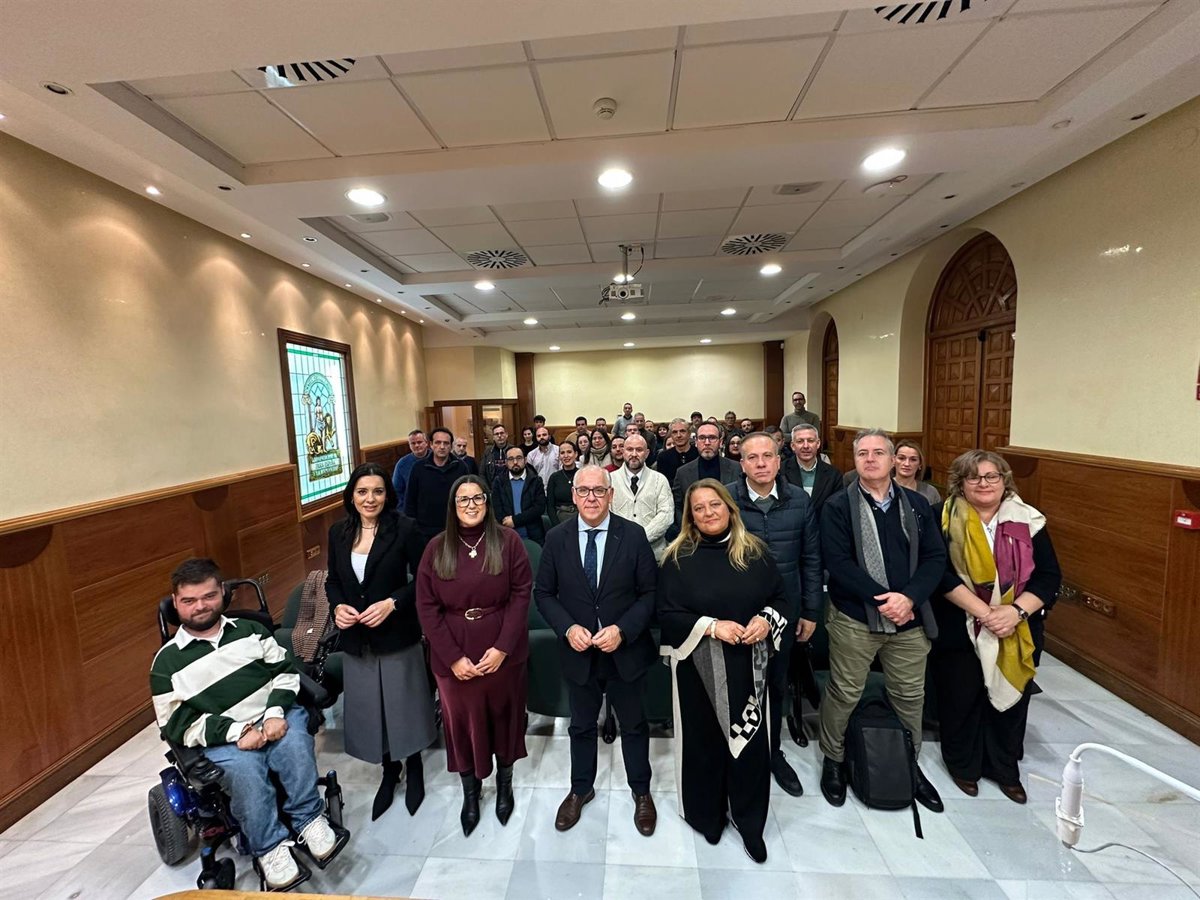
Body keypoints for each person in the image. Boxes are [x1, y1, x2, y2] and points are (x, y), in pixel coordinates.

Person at [151, 558, 346, 890]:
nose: (200, 606)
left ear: (223, 593)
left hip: (273, 716)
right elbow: (175, 722)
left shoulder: (251, 631)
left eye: (209, 596)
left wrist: (274, 714)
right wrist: (236, 732)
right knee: (246, 771)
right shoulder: (165, 663)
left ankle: (309, 819)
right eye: (189, 600)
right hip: (225, 738)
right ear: (176, 602)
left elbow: (284, 673)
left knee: (295, 744)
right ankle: (269, 847)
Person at [658, 480, 788, 864]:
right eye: (698, 508)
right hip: (697, 666)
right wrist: (712, 627)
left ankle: (750, 823)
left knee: (749, 746)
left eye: (714, 504)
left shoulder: (754, 552)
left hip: (748, 664)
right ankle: (707, 815)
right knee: (703, 744)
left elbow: (781, 597)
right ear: (690, 517)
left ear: (730, 508)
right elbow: (667, 614)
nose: (708, 513)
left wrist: (766, 619)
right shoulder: (676, 557)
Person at [817, 430, 946, 813]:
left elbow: (935, 558)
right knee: (845, 692)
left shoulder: (917, 504)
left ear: (893, 460)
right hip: (855, 617)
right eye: (862, 453)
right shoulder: (838, 506)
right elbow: (838, 563)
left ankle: (909, 763)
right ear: (854, 460)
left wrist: (909, 598)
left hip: (910, 619)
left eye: (878, 453)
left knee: (910, 695)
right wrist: (882, 599)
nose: (870, 459)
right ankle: (834, 760)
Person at [534, 465, 659, 837]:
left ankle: (641, 791)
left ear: (611, 495)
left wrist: (623, 630)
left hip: (625, 651)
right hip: (579, 652)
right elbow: (544, 594)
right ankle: (580, 788)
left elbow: (650, 594)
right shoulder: (556, 538)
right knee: (581, 726)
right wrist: (568, 627)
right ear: (573, 496)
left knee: (634, 725)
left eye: (599, 491)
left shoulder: (633, 535)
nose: (591, 498)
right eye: (584, 491)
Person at [931, 450, 1061, 804]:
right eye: (973, 477)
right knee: (961, 697)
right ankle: (963, 764)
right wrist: (986, 613)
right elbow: (938, 573)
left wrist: (1015, 612)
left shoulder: (1029, 520)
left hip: (1018, 627)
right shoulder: (941, 518)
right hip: (960, 624)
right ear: (960, 483)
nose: (983, 483)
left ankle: (1004, 768)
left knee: (1012, 700)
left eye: (992, 476)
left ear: (1005, 481)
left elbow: (1049, 576)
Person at [416, 475, 532, 834]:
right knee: (462, 726)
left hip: (502, 650)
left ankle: (504, 787)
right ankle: (470, 793)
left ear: (487, 501)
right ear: (453, 506)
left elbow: (521, 594)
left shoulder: (508, 541)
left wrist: (502, 648)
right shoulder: (437, 548)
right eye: (463, 499)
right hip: (453, 654)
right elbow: (426, 606)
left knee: (505, 720)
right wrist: (453, 657)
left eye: (477, 498)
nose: (471, 505)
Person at [328, 463, 437, 820]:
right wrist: (337, 606)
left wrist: (393, 602)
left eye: (377, 491)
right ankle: (390, 770)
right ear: (351, 496)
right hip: (357, 636)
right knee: (372, 708)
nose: (370, 498)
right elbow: (333, 581)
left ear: (388, 495)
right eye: (362, 492)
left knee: (405, 704)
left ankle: (414, 764)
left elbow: (425, 578)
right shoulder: (338, 532)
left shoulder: (404, 528)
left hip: (396, 632)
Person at [727, 433, 822, 796]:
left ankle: (772, 751)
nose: (761, 463)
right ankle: (739, 752)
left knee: (776, 684)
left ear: (780, 460)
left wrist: (810, 610)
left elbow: (811, 559)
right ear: (742, 464)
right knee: (738, 686)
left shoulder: (799, 500)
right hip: (738, 612)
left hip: (785, 610)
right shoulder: (727, 499)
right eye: (753, 457)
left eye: (768, 456)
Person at [610, 433, 674, 562]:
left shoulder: (659, 480)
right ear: (623, 452)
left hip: (654, 554)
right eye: (629, 449)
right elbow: (606, 513)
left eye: (639, 450)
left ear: (647, 453)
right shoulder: (610, 479)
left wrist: (641, 537)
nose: (634, 454)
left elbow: (666, 515)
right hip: (619, 553)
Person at [404, 427, 467, 546]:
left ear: (451, 446)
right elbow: (410, 501)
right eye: (438, 442)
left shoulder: (461, 467)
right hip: (424, 531)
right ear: (431, 445)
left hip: (454, 528)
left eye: (446, 443)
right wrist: (412, 529)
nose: (442, 447)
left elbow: (467, 497)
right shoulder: (418, 468)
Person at [672, 422, 740, 523]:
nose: (707, 442)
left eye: (712, 438)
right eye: (702, 438)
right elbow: (678, 506)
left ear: (720, 442)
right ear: (696, 442)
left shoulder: (736, 468)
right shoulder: (682, 473)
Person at [491, 445, 547, 544]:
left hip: (533, 536)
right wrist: (506, 522)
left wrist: (515, 520)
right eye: (511, 459)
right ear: (506, 462)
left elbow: (539, 508)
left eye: (519, 458)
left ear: (525, 460)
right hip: (507, 535)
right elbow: (497, 509)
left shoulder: (536, 481)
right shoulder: (498, 482)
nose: (515, 462)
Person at [782, 424, 842, 514]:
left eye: (810, 441)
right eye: (800, 441)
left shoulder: (834, 475)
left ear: (818, 444)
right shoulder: (780, 471)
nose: (806, 446)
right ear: (793, 446)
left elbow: (836, 509)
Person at [390, 429, 428, 511]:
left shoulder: (436, 458)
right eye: (413, 443)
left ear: (426, 443)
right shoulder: (402, 464)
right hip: (412, 508)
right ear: (409, 445)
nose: (416, 445)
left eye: (419, 442)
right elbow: (396, 491)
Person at [894, 440, 941, 504]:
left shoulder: (930, 492)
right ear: (893, 460)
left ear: (920, 464)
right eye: (901, 458)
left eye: (913, 459)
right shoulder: (883, 489)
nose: (907, 464)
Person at [655, 417, 698, 486]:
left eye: (682, 431)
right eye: (675, 432)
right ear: (671, 435)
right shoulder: (663, 457)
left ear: (689, 433)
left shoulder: (698, 454)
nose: (678, 435)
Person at [547, 440, 580, 523]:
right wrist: (557, 526)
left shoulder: (582, 475)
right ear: (559, 456)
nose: (566, 456)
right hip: (560, 519)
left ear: (576, 454)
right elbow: (550, 506)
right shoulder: (554, 477)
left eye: (569, 452)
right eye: (562, 453)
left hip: (581, 517)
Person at [483, 423, 511, 488]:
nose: (499, 436)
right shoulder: (488, 452)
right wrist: (487, 489)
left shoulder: (513, 450)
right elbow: (482, 473)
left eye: (502, 433)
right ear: (493, 437)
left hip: (509, 488)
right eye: (496, 434)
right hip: (492, 489)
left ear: (506, 435)